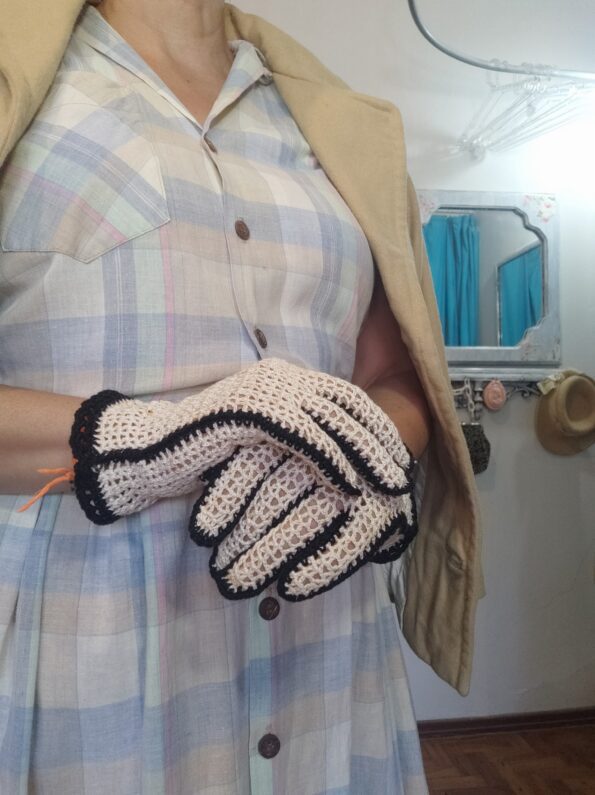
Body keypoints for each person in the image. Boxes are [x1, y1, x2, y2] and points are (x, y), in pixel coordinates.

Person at [0, 1, 482, 792]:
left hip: (328, 643)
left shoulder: (334, 121)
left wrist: (377, 448)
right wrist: (136, 441)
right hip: (92, 656)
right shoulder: (26, 79)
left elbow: (398, 377)